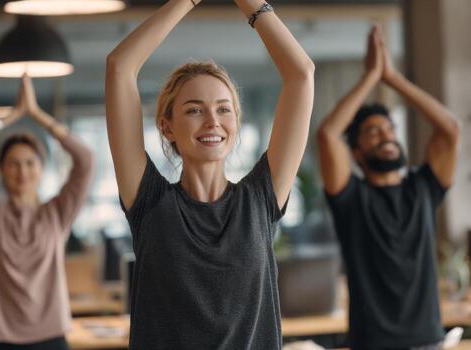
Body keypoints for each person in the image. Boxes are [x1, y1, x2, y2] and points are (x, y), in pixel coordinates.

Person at [105, 0, 314, 348]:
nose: (212, 121)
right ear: (167, 127)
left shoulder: (261, 199)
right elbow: (119, 67)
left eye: (223, 109)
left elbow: (301, 74)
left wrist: (252, 4)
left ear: (235, 123)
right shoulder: (149, 201)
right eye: (194, 110)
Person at [317, 26, 460, 350]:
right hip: (372, 344)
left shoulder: (424, 187)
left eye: (389, 127)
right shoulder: (350, 196)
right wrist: (371, 77)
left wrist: (392, 77)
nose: (385, 135)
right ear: (356, 152)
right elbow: (327, 134)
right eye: (372, 132)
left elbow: (450, 129)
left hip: (429, 341)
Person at [0, 76, 94, 350]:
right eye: (13, 163)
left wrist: (38, 115)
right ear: (1, 170)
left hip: (51, 336)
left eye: (30, 163)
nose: (23, 171)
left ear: (41, 169)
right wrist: (11, 116)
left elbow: (86, 159)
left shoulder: (57, 213)